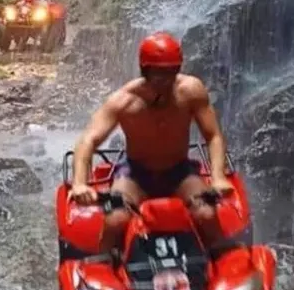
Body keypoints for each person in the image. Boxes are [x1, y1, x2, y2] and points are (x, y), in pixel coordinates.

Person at [69, 32, 235, 254]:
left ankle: (221, 265)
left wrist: (218, 177)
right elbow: (88, 141)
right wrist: (80, 183)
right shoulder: (124, 101)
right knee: (116, 219)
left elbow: (213, 135)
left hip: (179, 172)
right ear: (145, 71)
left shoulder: (191, 91)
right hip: (136, 175)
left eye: (170, 73)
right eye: (158, 74)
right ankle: (103, 267)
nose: (165, 81)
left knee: (206, 214)